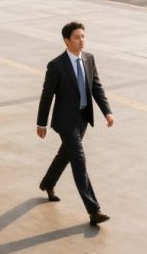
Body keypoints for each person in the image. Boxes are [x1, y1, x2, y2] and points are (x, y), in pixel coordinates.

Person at [36, 21, 114, 226]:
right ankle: (93, 210)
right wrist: (41, 123)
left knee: (65, 155)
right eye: (77, 37)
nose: (82, 41)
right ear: (66, 41)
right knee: (79, 160)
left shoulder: (89, 59)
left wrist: (107, 111)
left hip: (83, 119)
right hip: (65, 121)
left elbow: (96, 87)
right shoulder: (56, 65)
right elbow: (47, 96)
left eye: (83, 36)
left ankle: (47, 183)